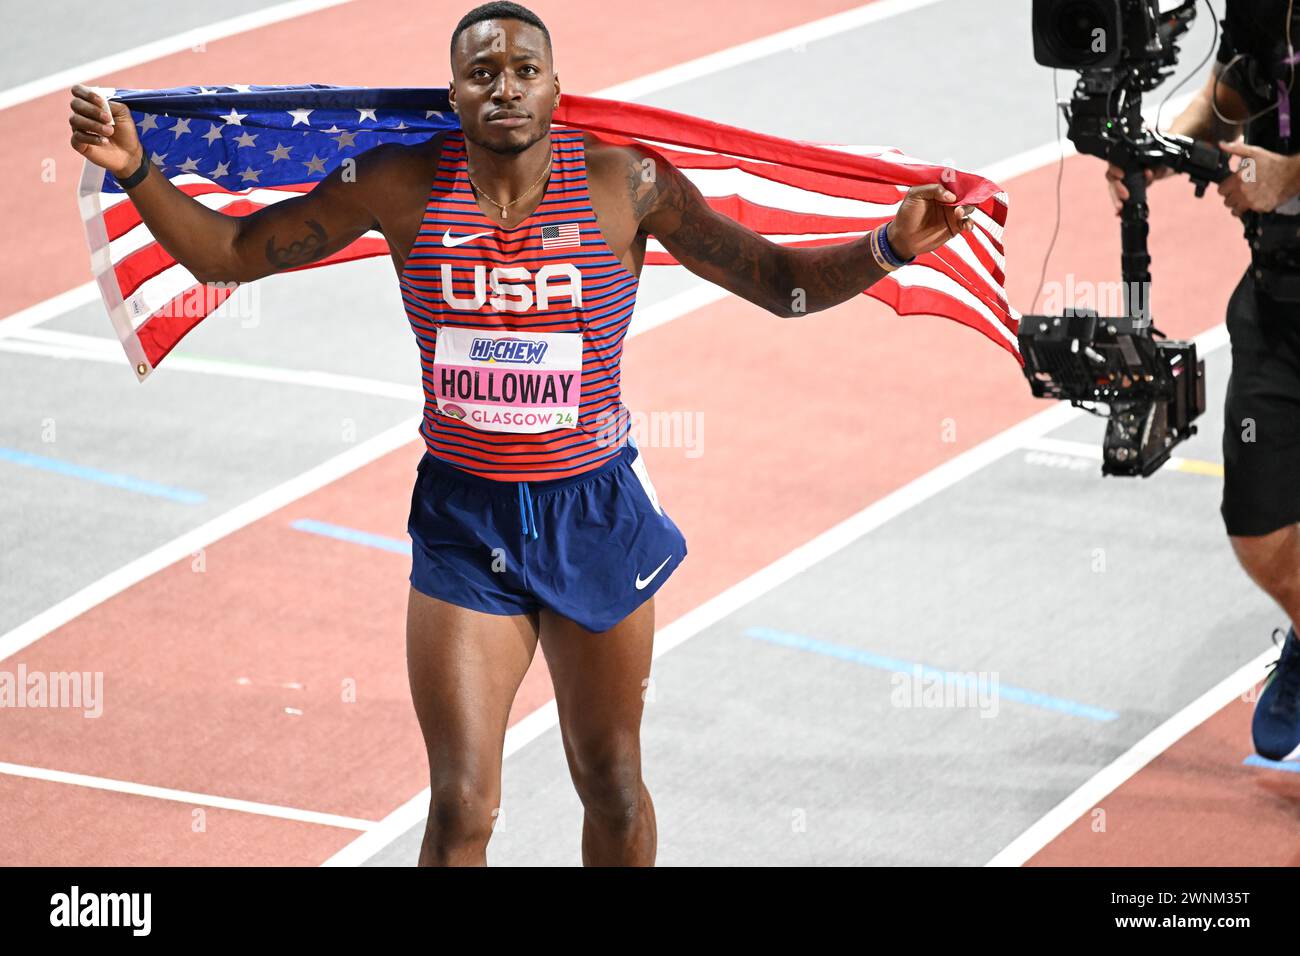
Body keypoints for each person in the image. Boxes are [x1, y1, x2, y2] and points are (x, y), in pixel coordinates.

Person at [67, 1, 974, 865]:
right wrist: (137, 165)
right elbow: (227, 255)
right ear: (453, 94)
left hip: (596, 514)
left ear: (553, 85)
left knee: (611, 784)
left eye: (524, 69)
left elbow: (779, 284)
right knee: (463, 804)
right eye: (482, 72)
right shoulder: (400, 183)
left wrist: (889, 246)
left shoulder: (627, 183)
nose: (504, 86)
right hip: (466, 521)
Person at [1106, 0, 1300, 761]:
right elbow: (1235, 88)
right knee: (1258, 528)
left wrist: (1289, 172)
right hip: (1278, 301)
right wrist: (1166, 144)